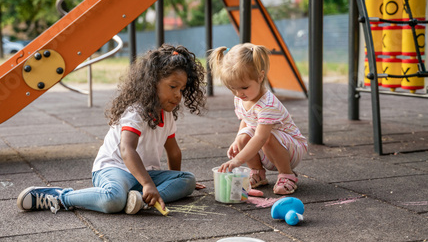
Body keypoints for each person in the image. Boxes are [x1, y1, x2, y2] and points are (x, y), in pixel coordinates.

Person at [17, 44, 207, 214]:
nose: (178, 95)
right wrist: (149, 184)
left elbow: (174, 152)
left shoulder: (167, 115)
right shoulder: (135, 112)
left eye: (181, 89)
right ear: (152, 83)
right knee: (114, 200)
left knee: (188, 180)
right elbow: (127, 150)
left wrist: (175, 178)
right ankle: (60, 197)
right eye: (173, 86)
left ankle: (139, 200)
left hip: (144, 174)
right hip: (115, 168)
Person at [208, 43, 307, 195]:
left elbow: (261, 137)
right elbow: (246, 120)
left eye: (244, 87)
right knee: (243, 137)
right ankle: (257, 173)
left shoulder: (268, 104)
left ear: (260, 77)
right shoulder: (241, 98)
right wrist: (237, 140)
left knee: (266, 137)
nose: (238, 93)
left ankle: (288, 175)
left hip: (292, 150)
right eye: (232, 88)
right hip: (267, 149)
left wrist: (238, 160)